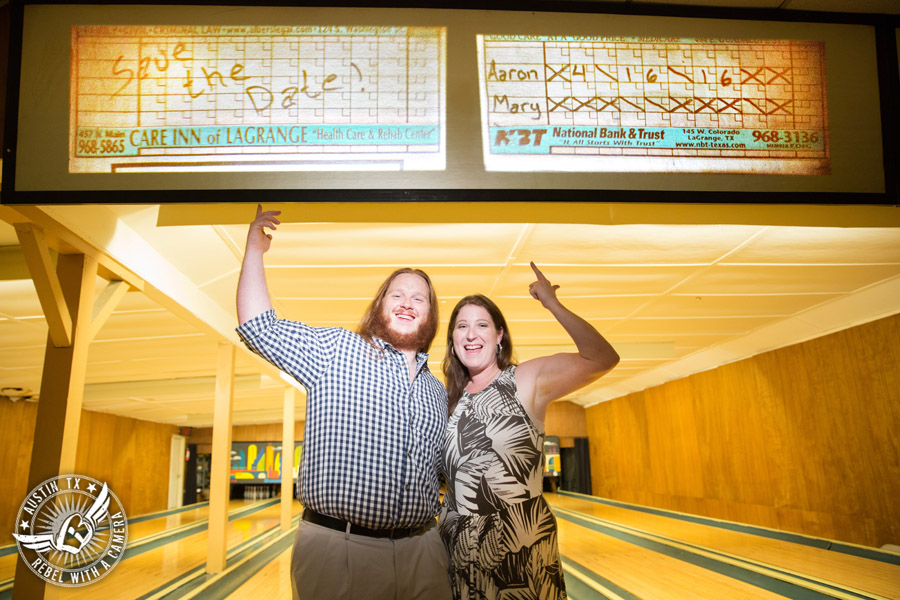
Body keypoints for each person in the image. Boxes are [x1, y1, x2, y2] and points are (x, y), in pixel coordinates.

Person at [236, 205, 451, 600]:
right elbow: (258, 327)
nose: (407, 302)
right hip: (340, 548)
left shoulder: (436, 391)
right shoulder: (337, 350)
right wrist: (253, 251)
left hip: (423, 549)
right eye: (397, 294)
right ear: (380, 305)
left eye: (418, 298)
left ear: (430, 316)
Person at [439, 262, 619, 600]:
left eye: (482, 325)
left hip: (520, 546)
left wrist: (552, 304)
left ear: (499, 335)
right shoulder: (448, 400)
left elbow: (602, 358)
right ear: (453, 338)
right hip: (459, 547)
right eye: (462, 326)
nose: (471, 334)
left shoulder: (525, 380)